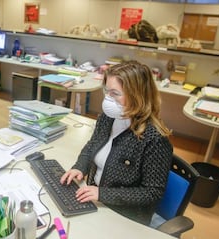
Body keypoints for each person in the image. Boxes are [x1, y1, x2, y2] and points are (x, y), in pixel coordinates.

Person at [60, 60, 173, 225]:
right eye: (107, 91)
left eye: (115, 93)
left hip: (125, 215)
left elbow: (152, 192)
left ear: (137, 96)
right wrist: (79, 167)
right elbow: (92, 145)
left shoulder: (155, 139)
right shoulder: (108, 117)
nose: (107, 99)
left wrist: (102, 194)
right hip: (95, 197)